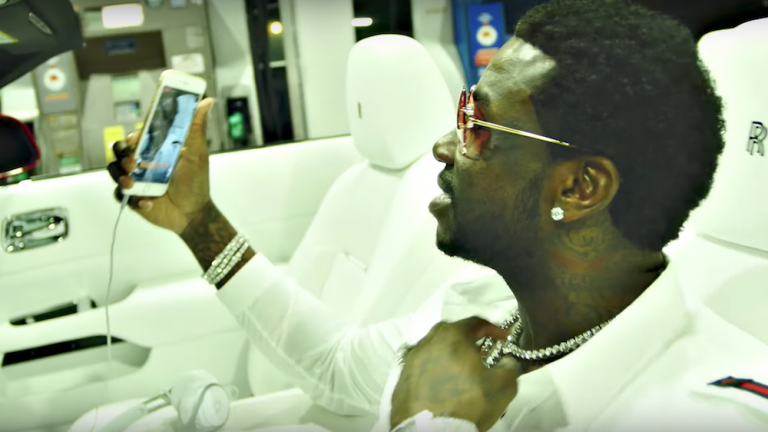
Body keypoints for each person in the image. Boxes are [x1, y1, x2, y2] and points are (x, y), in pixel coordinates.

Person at [109, 1, 768, 431]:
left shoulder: (705, 413)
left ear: (579, 186)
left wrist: (429, 422)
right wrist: (196, 220)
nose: (444, 145)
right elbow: (337, 368)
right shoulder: (485, 307)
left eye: (478, 125)